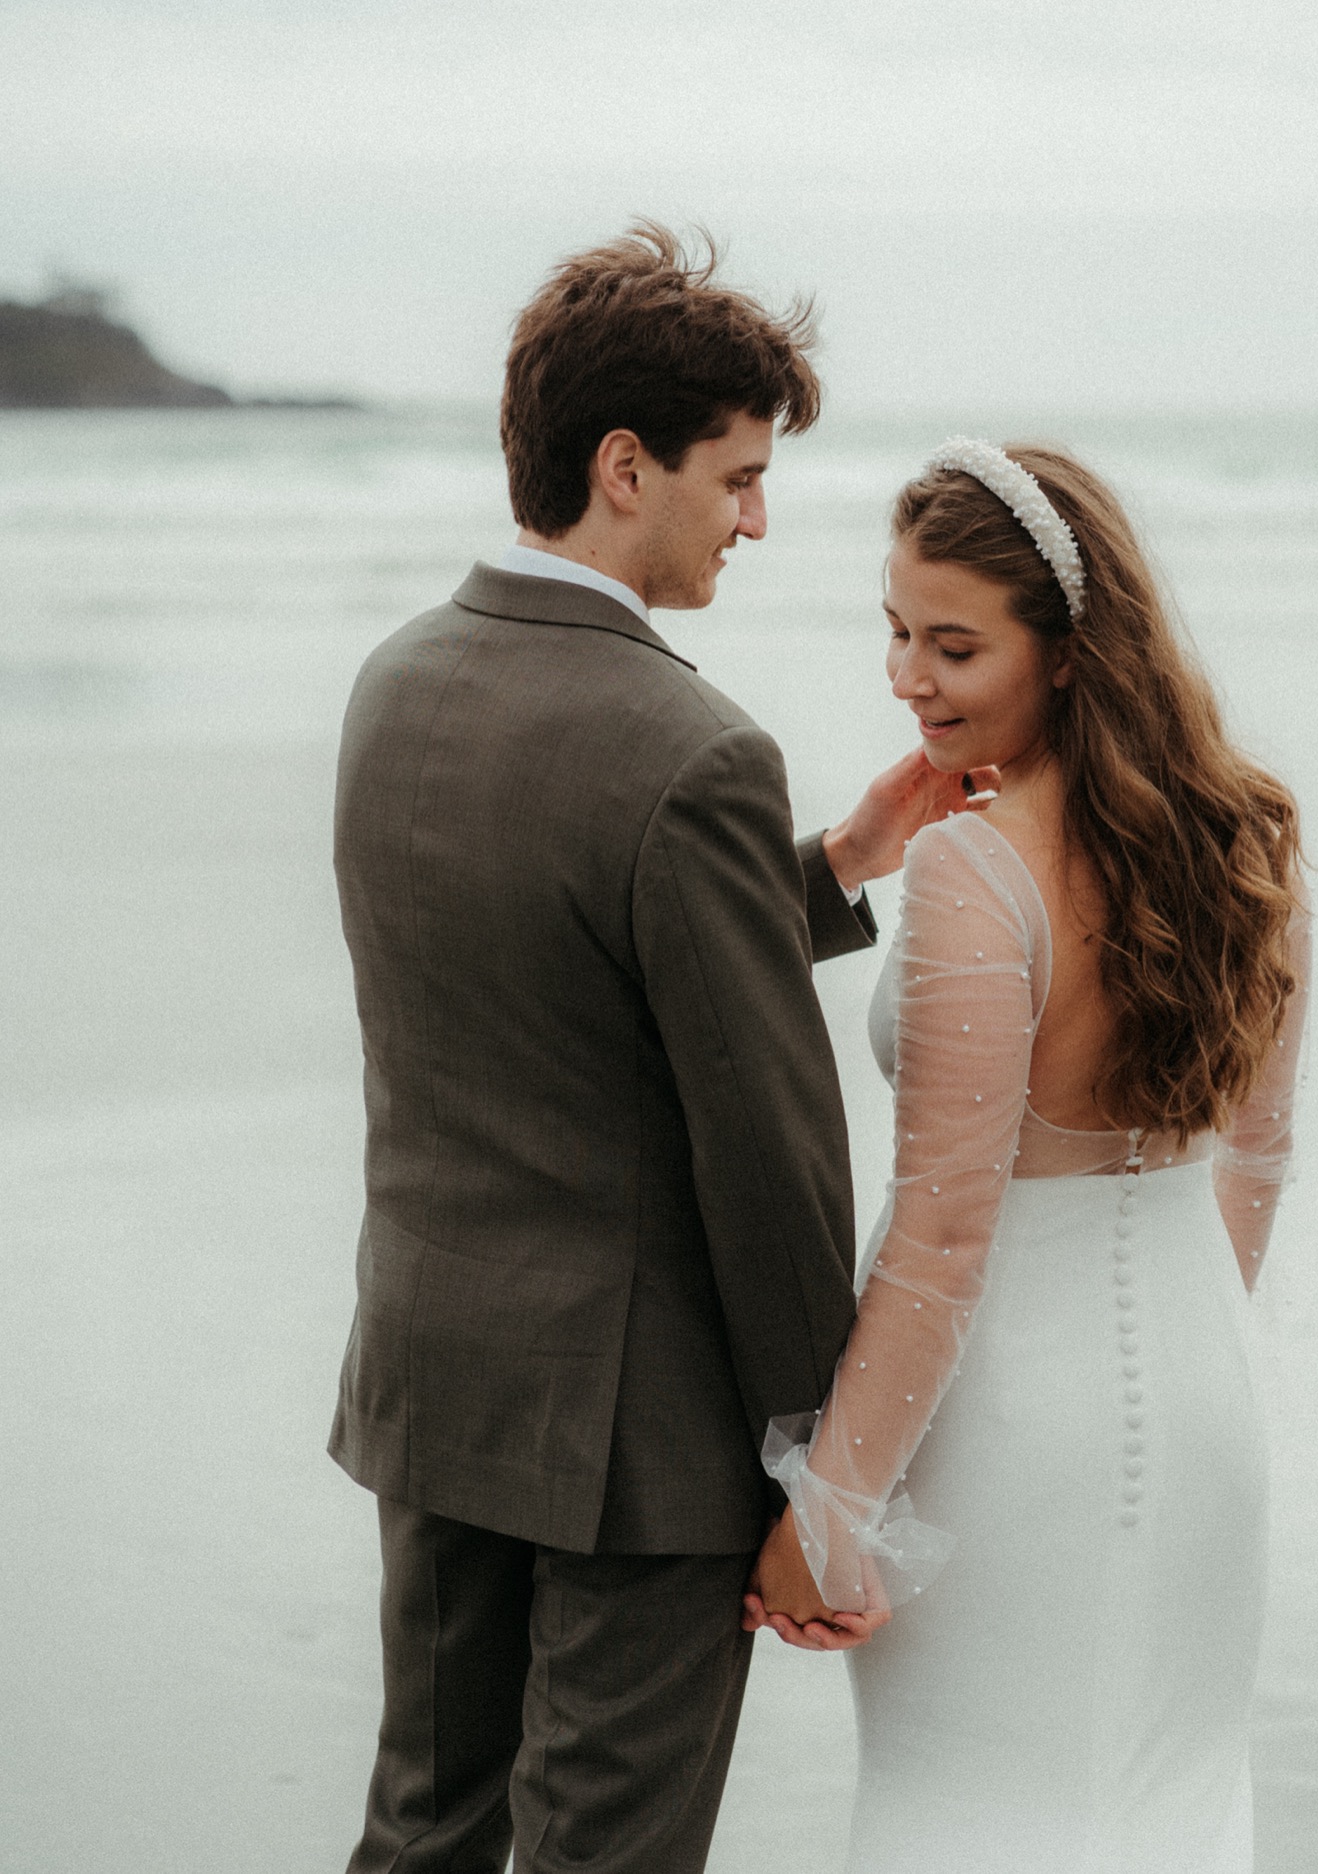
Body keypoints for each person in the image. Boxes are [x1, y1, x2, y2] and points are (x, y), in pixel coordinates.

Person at [327, 226, 982, 1874]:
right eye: (738, 477)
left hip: (437, 1381)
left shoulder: (395, 685)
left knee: (423, 1831)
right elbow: (768, 1152)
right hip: (639, 1448)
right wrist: (822, 1476)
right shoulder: (690, 749)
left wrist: (830, 866)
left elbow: (548, 980)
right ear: (626, 467)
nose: (757, 519)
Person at [745, 437, 1311, 1871]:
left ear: (1067, 652)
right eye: (894, 631)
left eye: (952, 644)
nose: (905, 677)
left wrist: (832, 1504)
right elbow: (1256, 1157)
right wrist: (1196, 1342)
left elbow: (943, 1228)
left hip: (1003, 1427)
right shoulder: (1249, 839)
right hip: (1208, 1394)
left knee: (964, 1812)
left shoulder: (979, 869)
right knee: (1172, 1804)